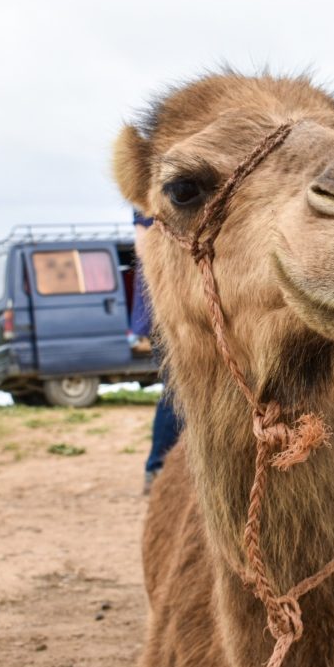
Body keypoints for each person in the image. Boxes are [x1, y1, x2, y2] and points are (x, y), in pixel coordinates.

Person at [132, 209, 182, 494]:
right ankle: (157, 468)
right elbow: (143, 246)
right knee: (178, 390)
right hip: (168, 310)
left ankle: (161, 468)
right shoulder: (152, 200)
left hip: (175, 308)